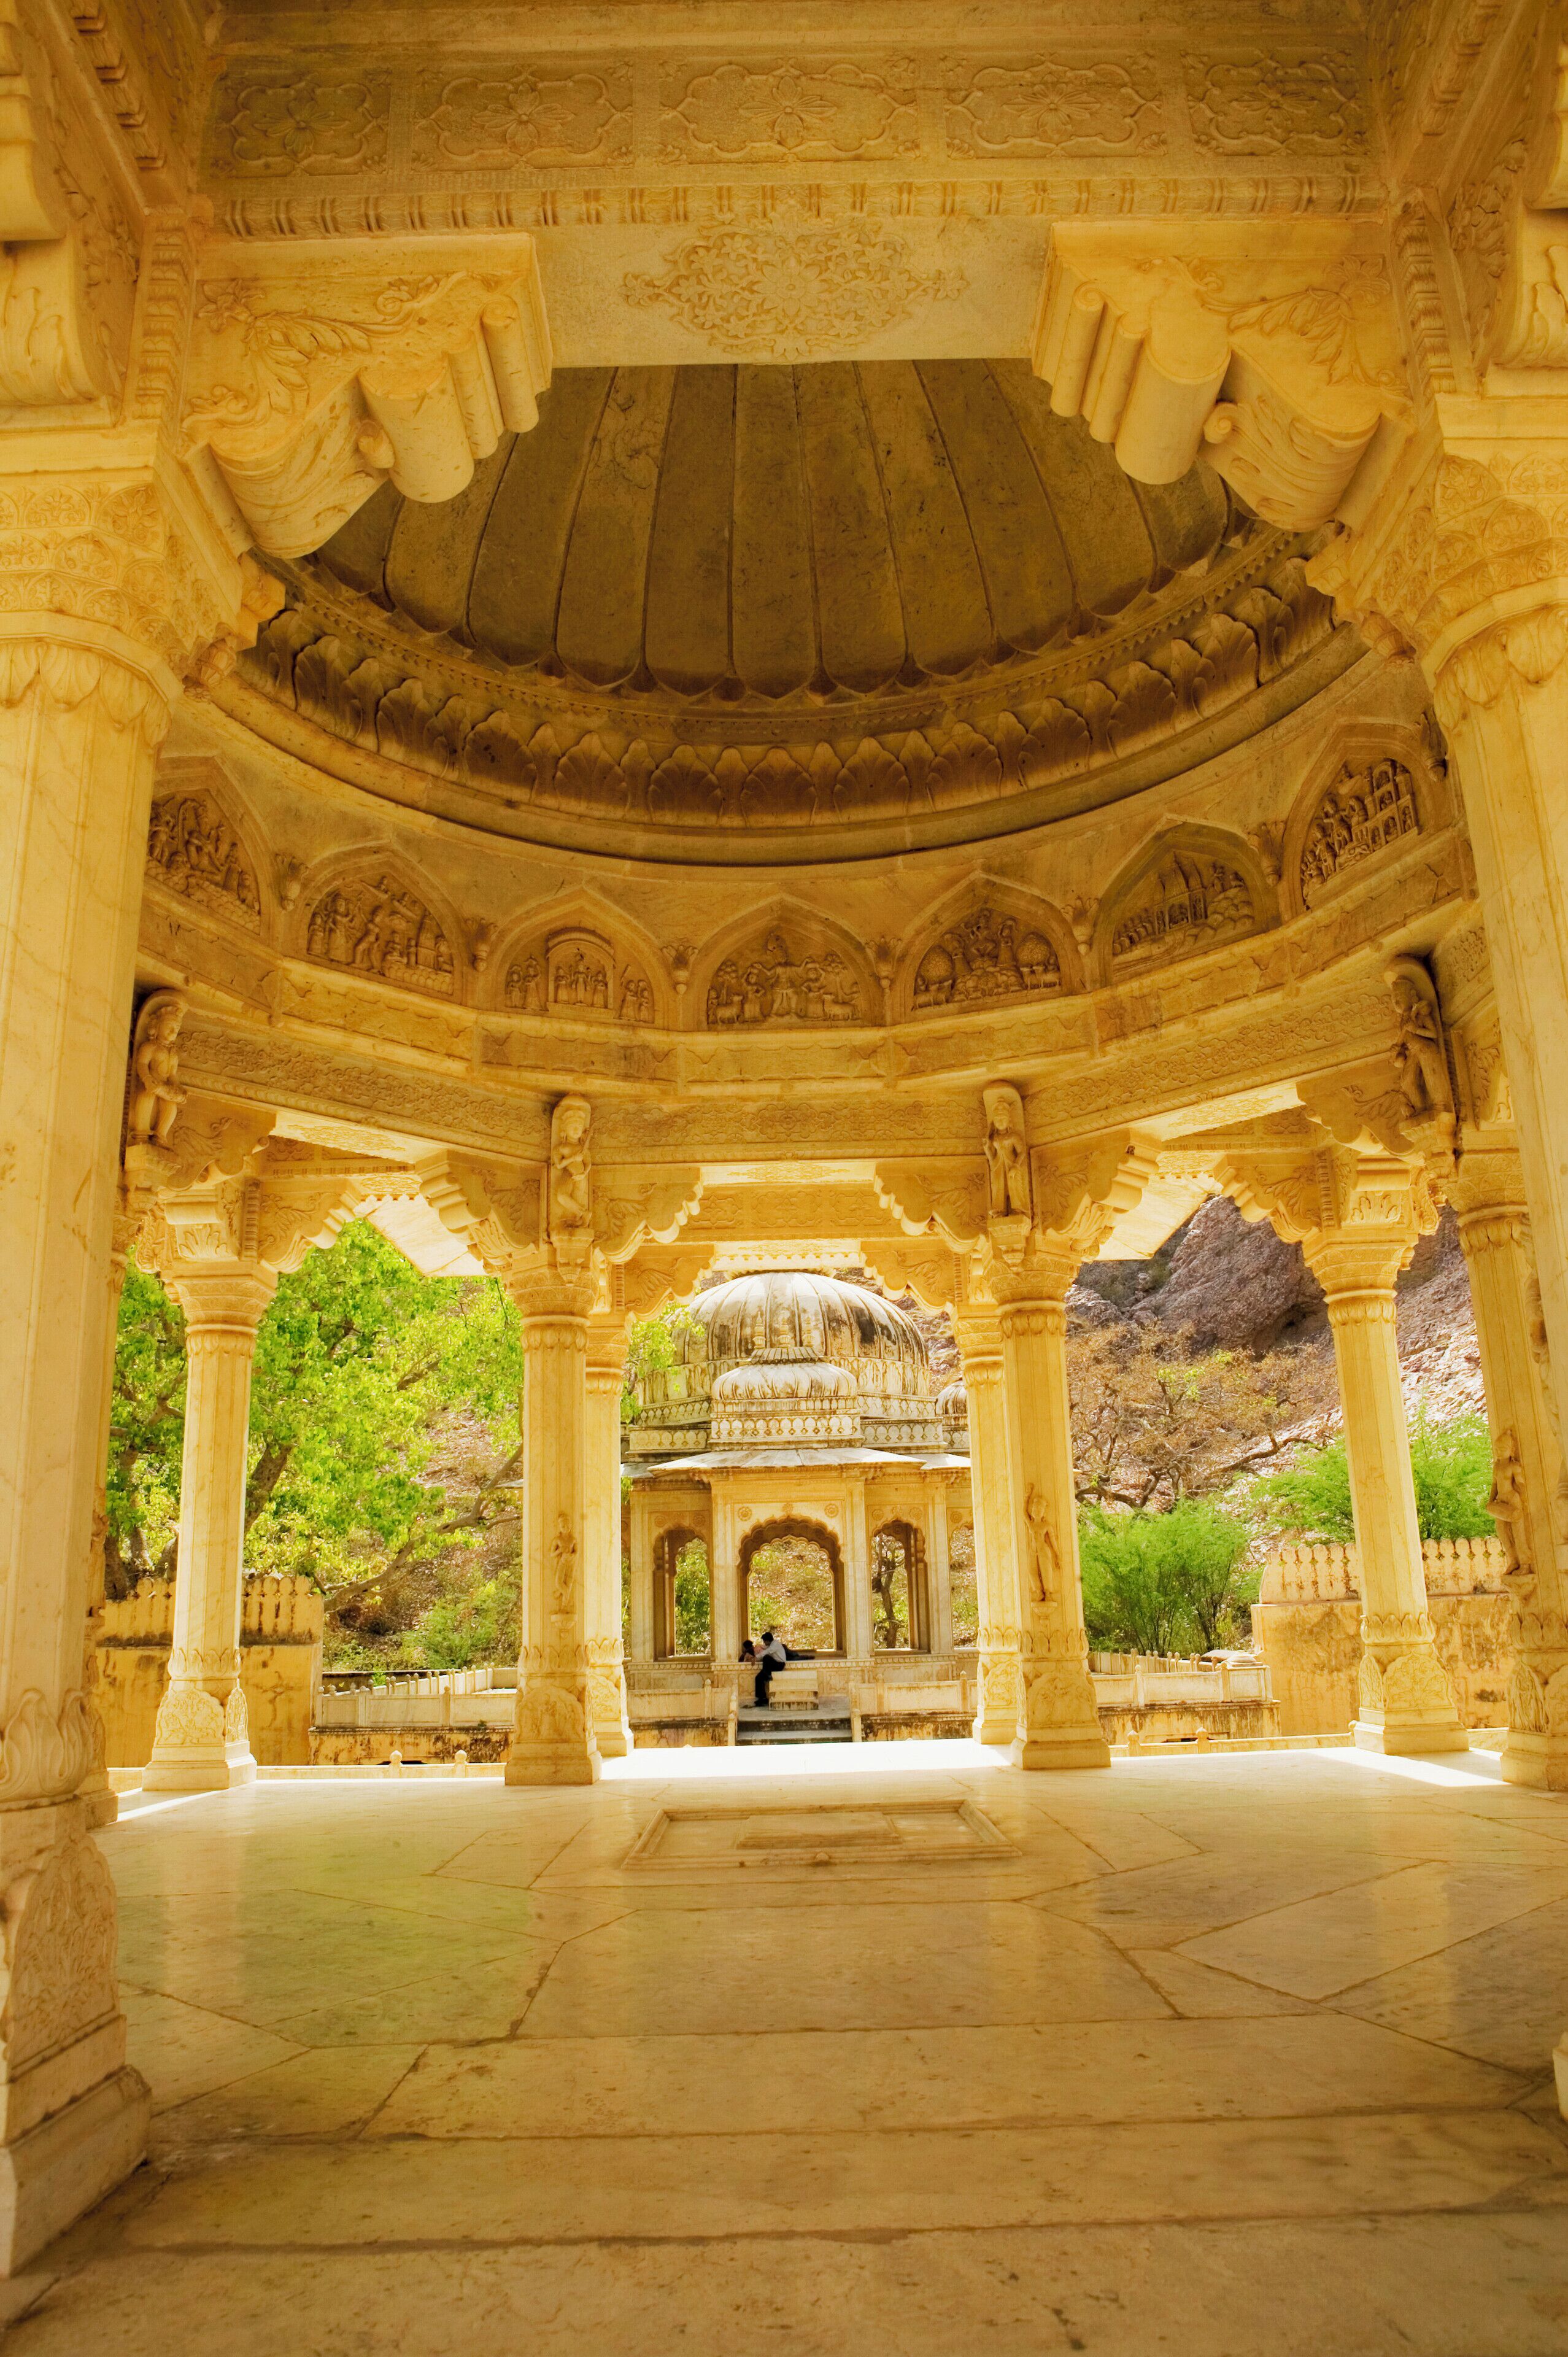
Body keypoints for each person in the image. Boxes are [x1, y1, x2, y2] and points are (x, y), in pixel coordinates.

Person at [752, 1628, 787, 1707]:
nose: (764, 1643)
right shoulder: (771, 1645)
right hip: (771, 1666)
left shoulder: (775, 1644)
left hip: (779, 1665)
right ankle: (762, 1698)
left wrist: (756, 1657)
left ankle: (767, 1674)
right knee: (758, 1678)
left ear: (768, 1640)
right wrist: (754, 1659)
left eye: (764, 1641)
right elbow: (764, 1651)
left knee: (766, 1658)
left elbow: (767, 1653)